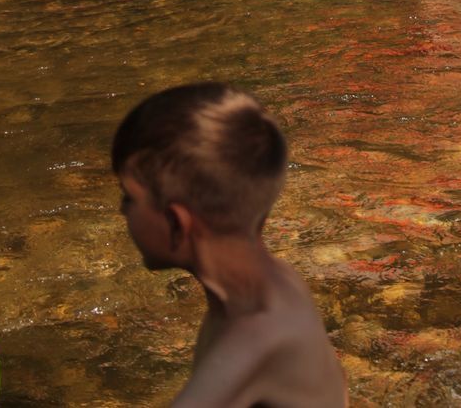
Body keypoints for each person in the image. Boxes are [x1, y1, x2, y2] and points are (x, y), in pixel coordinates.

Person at [112, 82, 348, 408]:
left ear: (177, 223)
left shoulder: (254, 340)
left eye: (129, 198)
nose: (121, 210)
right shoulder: (276, 281)